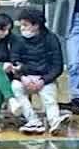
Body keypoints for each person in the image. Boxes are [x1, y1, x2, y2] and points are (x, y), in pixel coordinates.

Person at [10, 8, 70, 136]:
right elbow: (14, 62)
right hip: (24, 78)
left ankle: (55, 123)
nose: (22, 28)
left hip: (44, 78)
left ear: (36, 25)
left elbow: (57, 66)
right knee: (16, 88)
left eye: (25, 25)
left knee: (49, 97)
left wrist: (43, 80)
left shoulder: (51, 39)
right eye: (21, 25)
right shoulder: (18, 40)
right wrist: (23, 77)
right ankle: (33, 120)